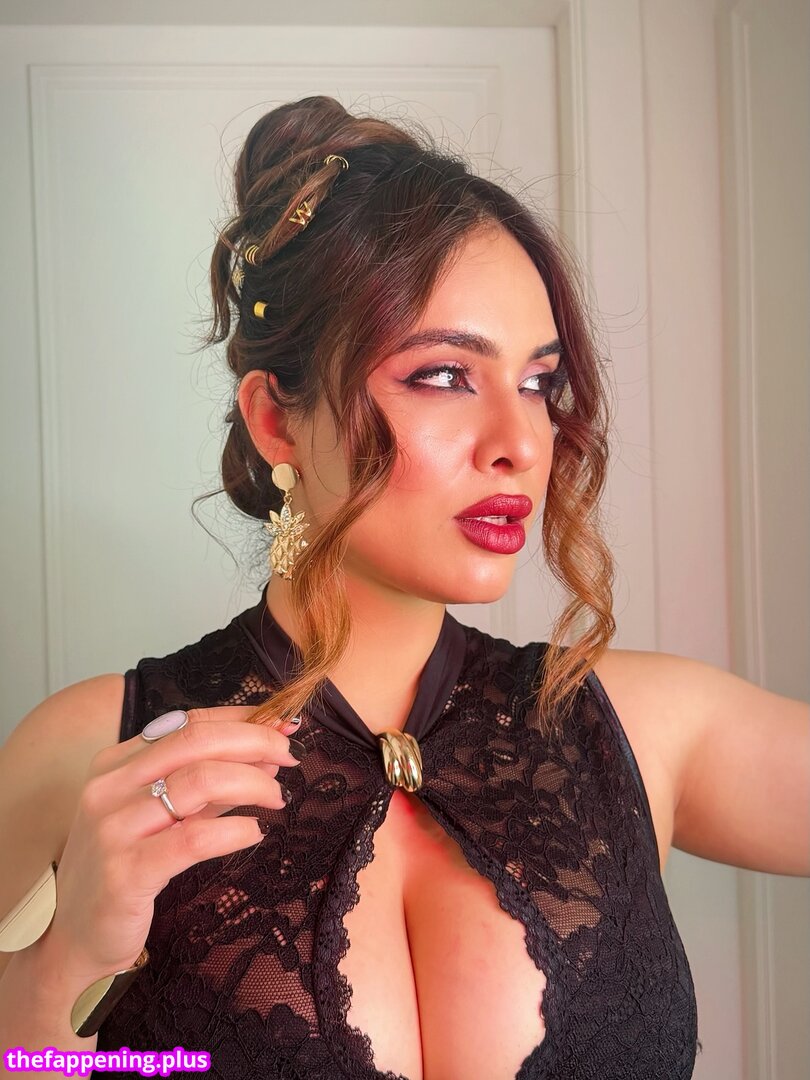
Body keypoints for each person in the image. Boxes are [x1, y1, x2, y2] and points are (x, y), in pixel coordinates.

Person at [0, 94, 807, 1080]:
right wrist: (61, 964)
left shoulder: (644, 728)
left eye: (538, 384)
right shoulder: (93, 753)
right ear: (276, 421)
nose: (521, 445)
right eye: (445, 375)